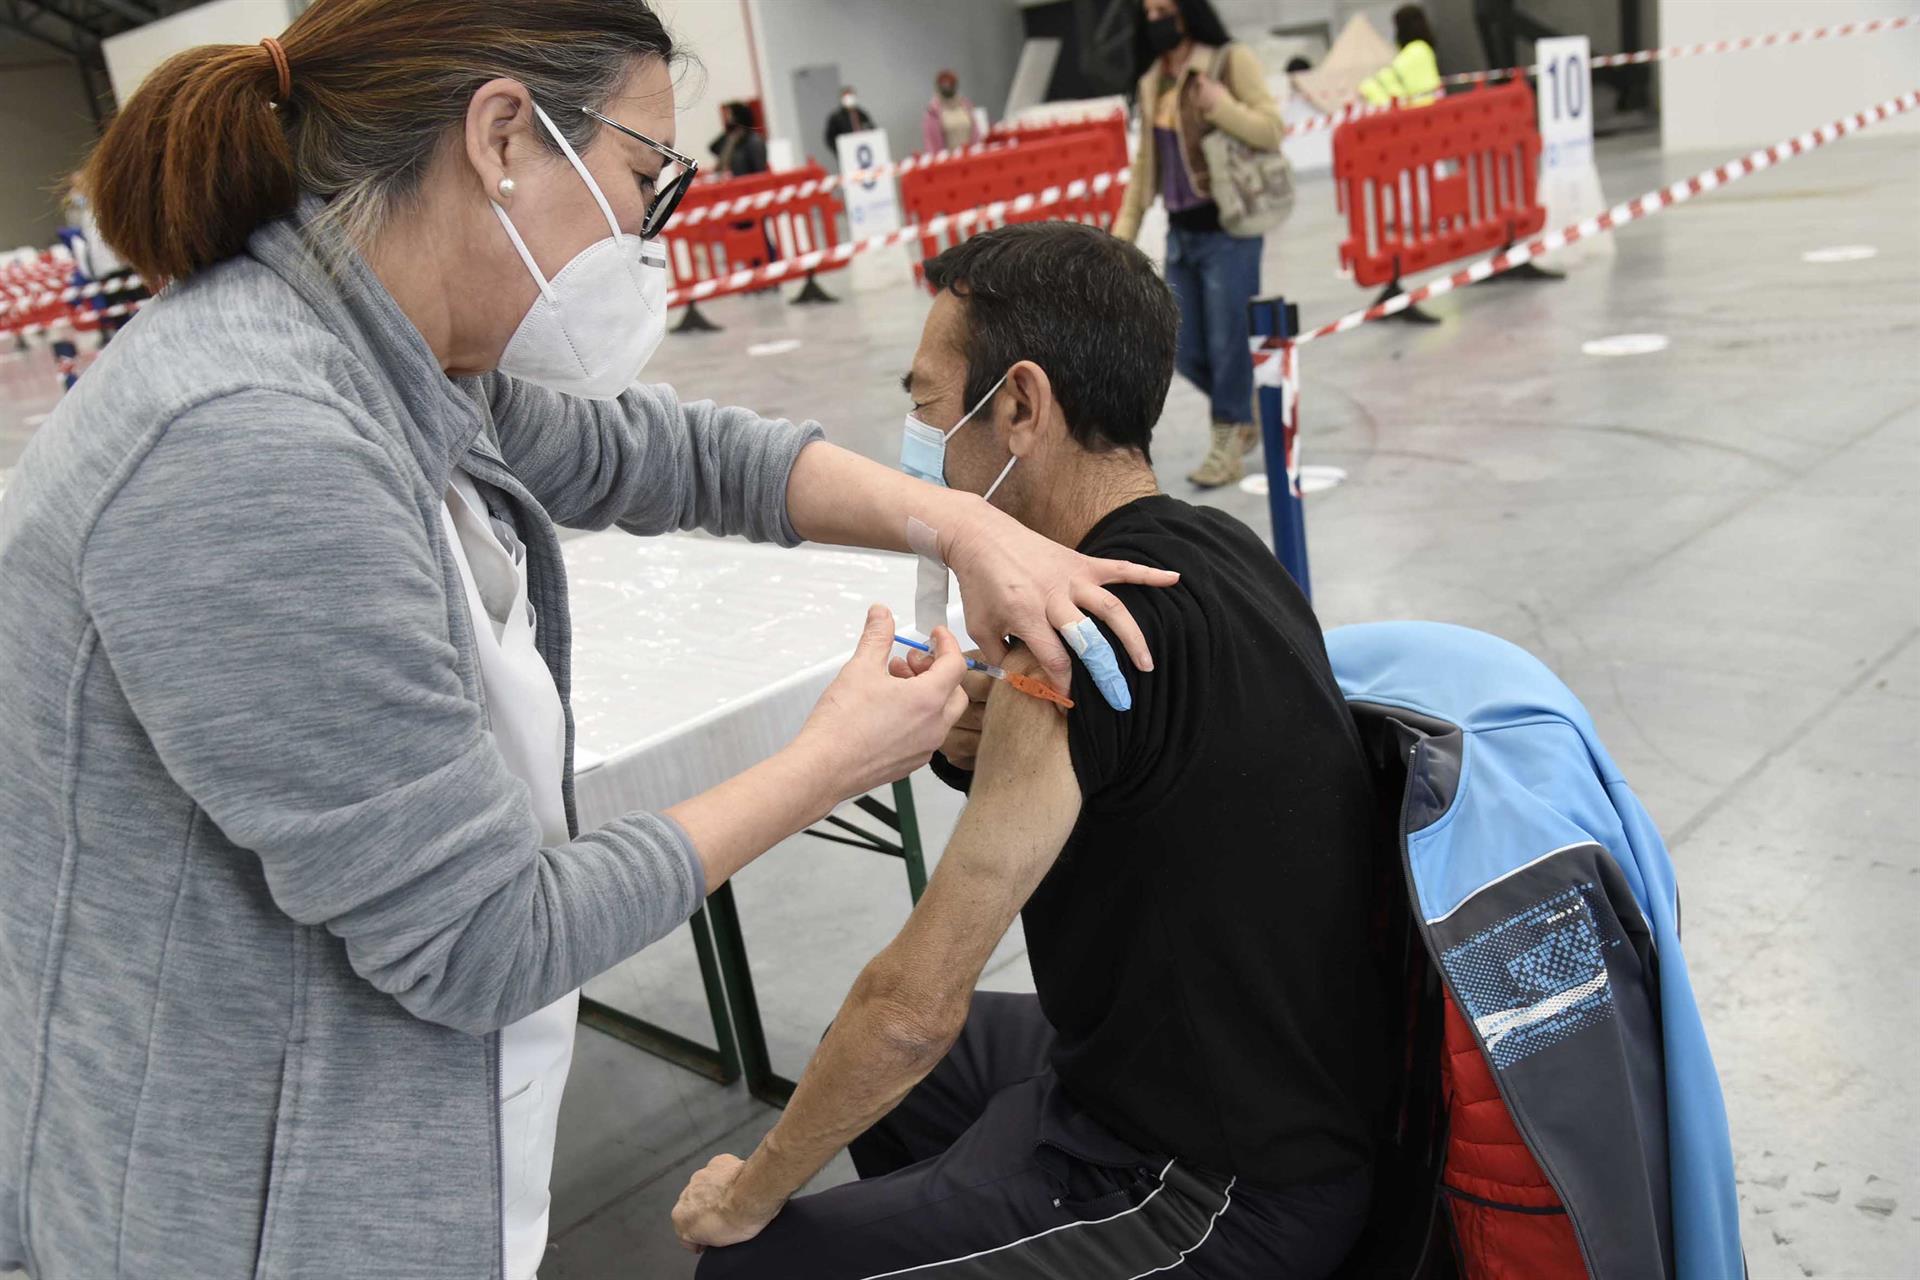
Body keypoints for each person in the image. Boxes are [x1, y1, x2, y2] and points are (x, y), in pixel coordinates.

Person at [0, 5, 1178, 1277]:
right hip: (249, 1210)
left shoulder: (390, 354)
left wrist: (956, 523)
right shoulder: (253, 442)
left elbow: (665, 453)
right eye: (641, 177)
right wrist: (825, 759)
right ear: (503, 134)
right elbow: (479, 936)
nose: (640, 236)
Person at [672, 221, 1387, 1278]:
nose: (919, 443)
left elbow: (912, 1008)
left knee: (758, 1263)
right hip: (1229, 1067)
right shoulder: (1217, 548)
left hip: (1222, 1177)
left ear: (1018, 406)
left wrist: (749, 1191)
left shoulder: (1067, 636)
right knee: (875, 1075)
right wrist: (978, 733)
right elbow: (1164, 773)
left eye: (926, 405)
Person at [1112, 0, 1284, 490]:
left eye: (1165, 8)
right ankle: (1242, 409)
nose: (1157, 19)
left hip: (1229, 230)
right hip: (1181, 232)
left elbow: (1272, 129)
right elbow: (1146, 168)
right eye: (1148, 12)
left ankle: (1226, 437)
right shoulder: (1153, 82)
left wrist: (1220, 106)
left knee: (1229, 343)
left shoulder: (1229, 62)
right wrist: (1118, 238)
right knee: (1179, 346)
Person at [1359, 5, 1443, 106]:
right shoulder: (1424, 50)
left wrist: (1368, 87)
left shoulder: (1417, 50)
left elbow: (1394, 73)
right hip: (1429, 106)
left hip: (1416, 109)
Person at [921, 68, 979, 153]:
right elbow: (932, 144)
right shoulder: (933, 112)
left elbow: (976, 134)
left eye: (949, 83)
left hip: (970, 157)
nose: (947, 87)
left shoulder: (966, 106)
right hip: (949, 162)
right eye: (944, 84)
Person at [709, 99, 769, 176]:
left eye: (729, 114)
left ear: (736, 116)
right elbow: (713, 147)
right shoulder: (732, 138)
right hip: (738, 181)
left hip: (750, 183)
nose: (726, 118)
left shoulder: (753, 140)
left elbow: (759, 169)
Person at [823, 84, 875, 156]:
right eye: (846, 96)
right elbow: (830, 138)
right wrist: (839, 150)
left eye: (851, 96)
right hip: (847, 154)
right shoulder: (836, 117)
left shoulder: (862, 114)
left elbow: (872, 129)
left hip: (865, 150)